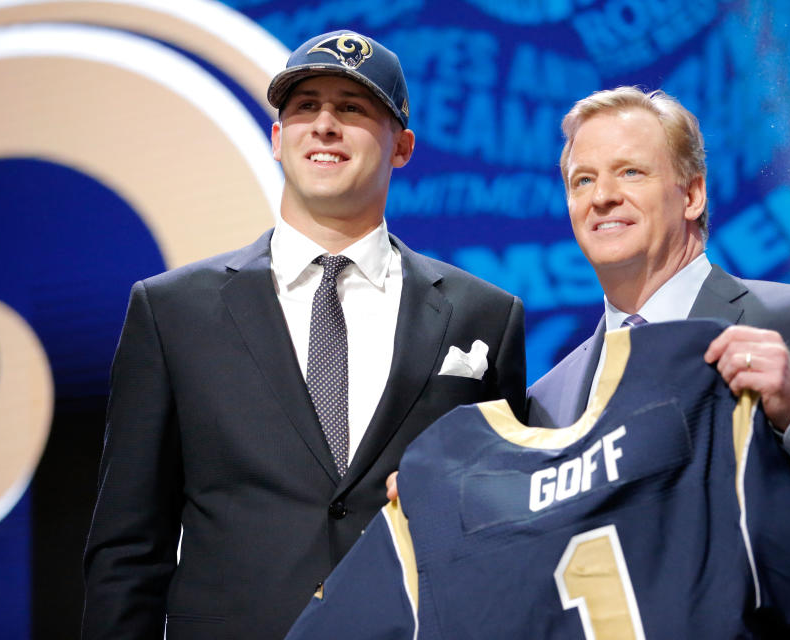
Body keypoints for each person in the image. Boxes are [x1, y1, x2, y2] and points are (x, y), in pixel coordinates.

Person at [82, 30, 526, 640]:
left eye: (351, 108)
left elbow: (505, 533)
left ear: (402, 146)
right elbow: (127, 547)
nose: (324, 124)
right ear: (277, 139)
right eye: (304, 107)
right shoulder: (171, 310)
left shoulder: (484, 316)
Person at [525, 85, 790, 637]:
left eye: (631, 172)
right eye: (583, 180)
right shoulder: (550, 398)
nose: (602, 196)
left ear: (692, 195)